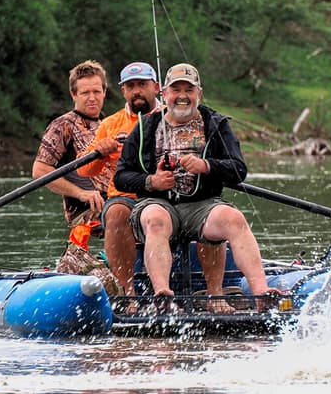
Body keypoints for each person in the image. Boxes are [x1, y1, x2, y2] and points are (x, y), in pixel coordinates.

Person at [114, 62, 282, 312]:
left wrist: (206, 166)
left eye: (189, 90)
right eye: (176, 90)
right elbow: (121, 176)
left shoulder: (216, 124)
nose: (182, 96)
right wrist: (152, 181)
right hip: (158, 203)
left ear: (198, 94)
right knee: (156, 219)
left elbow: (238, 170)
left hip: (203, 204)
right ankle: (162, 294)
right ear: (165, 95)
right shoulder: (146, 126)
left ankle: (261, 292)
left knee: (234, 218)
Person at [79, 62, 224, 301]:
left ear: (156, 88)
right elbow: (84, 170)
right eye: (131, 86)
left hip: (175, 196)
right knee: (115, 212)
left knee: (211, 207)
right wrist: (101, 151)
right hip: (128, 197)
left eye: (142, 85)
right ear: (123, 91)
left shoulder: (177, 115)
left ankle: (215, 295)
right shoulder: (110, 125)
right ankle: (127, 293)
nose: (137, 91)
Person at [32, 60, 118, 294]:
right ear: (74, 94)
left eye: (97, 91)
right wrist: (81, 193)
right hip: (86, 210)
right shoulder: (62, 126)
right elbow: (40, 171)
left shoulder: (110, 125)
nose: (92, 98)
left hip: (118, 201)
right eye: (85, 92)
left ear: (104, 92)